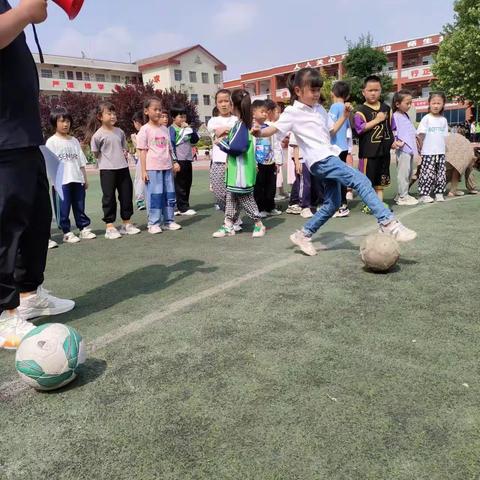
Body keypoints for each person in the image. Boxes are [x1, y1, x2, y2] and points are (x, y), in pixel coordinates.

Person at [253, 68, 417, 257]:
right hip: (320, 160)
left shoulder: (320, 109)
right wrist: (259, 132)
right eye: (312, 90)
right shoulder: (292, 112)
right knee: (361, 180)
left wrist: (344, 117)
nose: (316, 95)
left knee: (333, 203)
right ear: (298, 91)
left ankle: (303, 234)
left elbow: (330, 132)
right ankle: (388, 223)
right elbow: (272, 129)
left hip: (329, 156)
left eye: (318, 90)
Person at [0, 0, 74, 350]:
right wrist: (27, 12)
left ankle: (30, 294)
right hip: (2, 137)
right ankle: (4, 313)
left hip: (23, 134)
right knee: (5, 226)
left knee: (36, 220)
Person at [213, 89, 266, 238]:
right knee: (231, 197)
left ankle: (258, 224)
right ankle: (228, 224)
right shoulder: (242, 124)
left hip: (240, 172)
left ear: (233, 105)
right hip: (236, 169)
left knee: (244, 198)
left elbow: (237, 147)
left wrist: (220, 143)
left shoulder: (242, 125)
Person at [88, 101, 141, 239]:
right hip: (107, 170)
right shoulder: (97, 135)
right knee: (109, 197)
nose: (113, 116)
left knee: (126, 195)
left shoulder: (120, 132)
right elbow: (95, 153)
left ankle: (126, 224)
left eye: (114, 113)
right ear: (100, 116)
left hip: (123, 168)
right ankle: (110, 226)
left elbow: (124, 148)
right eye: (109, 113)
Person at [46, 107, 96, 244]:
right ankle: (66, 232)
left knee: (79, 205)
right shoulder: (51, 142)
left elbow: (80, 162)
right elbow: (50, 165)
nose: (65, 124)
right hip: (61, 182)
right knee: (63, 208)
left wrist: (84, 178)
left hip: (77, 178)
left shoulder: (74, 141)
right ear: (54, 123)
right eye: (62, 121)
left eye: (67, 121)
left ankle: (83, 228)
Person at [354, 75, 399, 213]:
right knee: (367, 181)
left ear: (380, 91)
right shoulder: (360, 110)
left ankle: (379, 204)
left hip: (383, 152)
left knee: (380, 182)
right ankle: (369, 204)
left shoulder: (386, 108)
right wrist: (377, 120)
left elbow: (392, 127)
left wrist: (393, 141)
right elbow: (359, 129)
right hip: (368, 153)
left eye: (376, 90)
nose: (373, 93)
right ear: (364, 92)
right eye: (370, 90)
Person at [137, 97, 182, 234]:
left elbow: (169, 148)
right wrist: (143, 171)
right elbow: (142, 152)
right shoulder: (144, 130)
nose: (158, 112)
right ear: (146, 111)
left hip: (167, 167)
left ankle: (169, 220)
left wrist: (174, 162)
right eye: (154, 109)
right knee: (155, 195)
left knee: (169, 194)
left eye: (160, 109)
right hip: (152, 168)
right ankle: (154, 223)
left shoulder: (165, 129)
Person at [207, 90, 238, 215]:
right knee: (218, 192)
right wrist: (228, 130)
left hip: (234, 161)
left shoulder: (236, 119)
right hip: (218, 161)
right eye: (220, 101)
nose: (223, 104)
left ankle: (232, 218)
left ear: (231, 103)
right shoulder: (212, 121)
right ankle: (230, 214)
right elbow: (217, 134)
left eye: (226, 101)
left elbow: (234, 133)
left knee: (233, 192)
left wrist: (225, 130)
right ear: (216, 104)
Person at [417, 92, 449, 203]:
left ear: (443, 104)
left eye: (439, 103)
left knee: (441, 173)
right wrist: (420, 150)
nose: (436, 106)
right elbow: (420, 135)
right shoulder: (426, 118)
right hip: (428, 152)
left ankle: (439, 193)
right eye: (433, 103)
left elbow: (445, 137)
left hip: (440, 152)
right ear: (429, 104)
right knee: (427, 173)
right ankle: (424, 194)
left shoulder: (443, 120)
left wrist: (445, 150)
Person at [252, 99, 281, 217]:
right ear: (253, 113)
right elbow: (251, 146)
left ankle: (270, 207)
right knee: (259, 186)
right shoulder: (251, 128)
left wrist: (278, 161)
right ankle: (260, 208)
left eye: (266, 112)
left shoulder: (270, 127)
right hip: (258, 163)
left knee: (271, 186)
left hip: (270, 162)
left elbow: (276, 144)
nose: (265, 114)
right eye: (262, 111)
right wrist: (253, 162)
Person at [169, 104, 199, 216]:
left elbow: (195, 140)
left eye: (184, 117)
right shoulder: (172, 129)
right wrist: (174, 161)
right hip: (179, 160)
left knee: (187, 183)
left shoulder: (187, 129)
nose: (183, 119)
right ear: (173, 118)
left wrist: (189, 129)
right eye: (180, 117)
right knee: (180, 184)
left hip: (187, 159)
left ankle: (183, 205)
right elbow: (171, 145)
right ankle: (183, 207)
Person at [329, 81, 352, 217]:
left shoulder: (334, 107)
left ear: (332, 92)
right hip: (343, 148)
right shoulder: (345, 108)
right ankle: (343, 205)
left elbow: (330, 127)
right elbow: (347, 127)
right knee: (341, 176)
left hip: (335, 148)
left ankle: (338, 206)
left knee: (334, 177)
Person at [392, 89, 419, 206]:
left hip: (409, 149)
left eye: (410, 103)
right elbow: (393, 131)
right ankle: (403, 196)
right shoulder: (395, 116)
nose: (409, 106)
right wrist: (395, 142)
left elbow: (410, 131)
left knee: (408, 172)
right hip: (403, 149)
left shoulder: (405, 115)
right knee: (403, 173)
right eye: (407, 103)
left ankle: (402, 194)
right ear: (397, 104)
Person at [131, 111, 146, 211]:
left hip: (142, 159)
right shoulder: (148, 130)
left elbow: (140, 149)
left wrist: (134, 140)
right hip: (148, 159)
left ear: (137, 122)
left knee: (139, 179)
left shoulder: (140, 133)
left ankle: (140, 200)